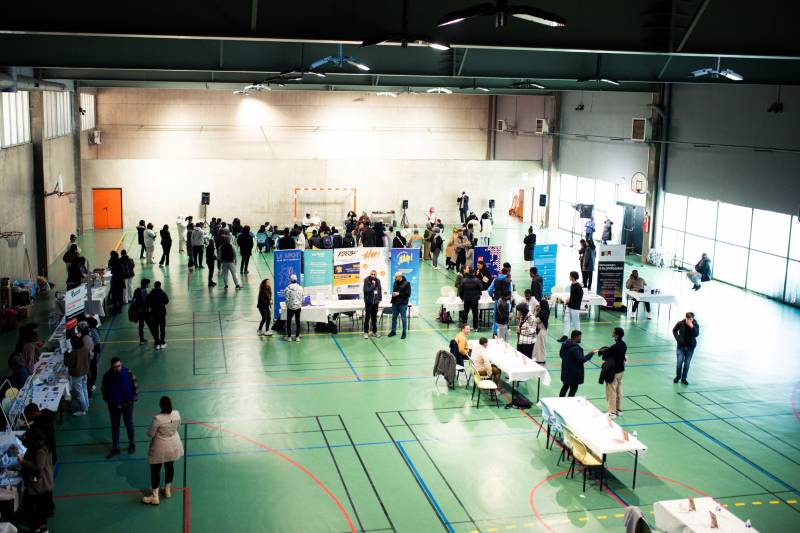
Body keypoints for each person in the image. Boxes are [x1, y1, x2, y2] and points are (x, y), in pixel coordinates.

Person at [142, 396, 184, 506]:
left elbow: (150, 434)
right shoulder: (177, 414)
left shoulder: (158, 419)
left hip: (160, 448)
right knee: (169, 467)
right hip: (173, 446)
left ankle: (155, 497)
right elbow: (178, 426)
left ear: (161, 405)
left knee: (155, 471)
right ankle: (167, 490)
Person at [18, 428, 54, 533]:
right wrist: (21, 439)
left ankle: (41, 529)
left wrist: (22, 462)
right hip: (40, 484)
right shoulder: (38, 446)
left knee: (35, 508)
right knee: (36, 508)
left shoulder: (41, 451)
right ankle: (38, 527)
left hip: (40, 485)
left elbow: (38, 468)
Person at [101, 357, 139, 458]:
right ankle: (115, 447)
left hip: (127, 404)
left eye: (119, 366)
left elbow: (135, 385)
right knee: (115, 426)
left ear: (121, 364)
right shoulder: (107, 377)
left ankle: (132, 444)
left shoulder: (128, 373)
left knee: (129, 425)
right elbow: (104, 390)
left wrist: (132, 399)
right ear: (112, 367)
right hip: (114, 405)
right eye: (115, 367)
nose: (118, 368)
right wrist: (110, 401)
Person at [590, 327, 627, 417]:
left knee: (611, 391)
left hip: (613, 372)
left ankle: (612, 412)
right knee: (618, 390)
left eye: (613, 332)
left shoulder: (615, 346)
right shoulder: (623, 344)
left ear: (616, 335)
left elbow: (605, 356)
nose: (612, 333)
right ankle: (618, 410)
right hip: (621, 371)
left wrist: (603, 351)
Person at [559, 330, 593, 397]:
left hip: (566, 371)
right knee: (573, 389)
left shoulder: (565, 344)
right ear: (576, 337)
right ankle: (570, 402)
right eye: (580, 336)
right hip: (574, 373)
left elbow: (561, 355)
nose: (580, 338)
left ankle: (560, 400)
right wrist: (590, 354)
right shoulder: (575, 348)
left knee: (565, 386)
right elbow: (581, 360)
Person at [64, 335, 90, 416]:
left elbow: (68, 363)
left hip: (77, 375)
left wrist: (66, 353)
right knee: (84, 389)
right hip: (85, 372)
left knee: (79, 393)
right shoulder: (85, 348)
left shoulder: (74, 353)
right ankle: (87, 405)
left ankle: (83, 410)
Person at [673, 312, 699, 385]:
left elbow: (696, 334)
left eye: (691, 319)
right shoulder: (680, 323)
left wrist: (692, 327)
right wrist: (678, 339)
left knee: (687, 364)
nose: (690, 320)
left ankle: (684, 378)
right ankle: (678, 377)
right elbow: (674, 330)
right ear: (686, 318)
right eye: (689, 319)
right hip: (681, 347)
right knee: (679, 363)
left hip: (690, 348)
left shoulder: (695, 324)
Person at [559, 271, 583, 342]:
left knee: (576, 322)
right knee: (566, 320)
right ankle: (565, 336)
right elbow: (572, 295)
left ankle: (578, 338)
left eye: (570, 276)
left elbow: (579, 298)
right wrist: (568, 300)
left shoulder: (578, 287)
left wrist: (570, 300)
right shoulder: (572, 284)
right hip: (569, 306)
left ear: (573, 277)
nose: (569, 277)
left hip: (575, 307)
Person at [146, 281, 170, 350]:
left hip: (153, 313)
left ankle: (157, 343)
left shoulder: (151, 293)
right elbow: (166, 301)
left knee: (155, 328)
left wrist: (152, 306)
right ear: (160, 286)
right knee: (162, 328)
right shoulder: (162, 293)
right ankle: (162, 342)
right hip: (162, 313)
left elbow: (147, 303)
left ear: (154, 285)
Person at [132, 278, 156, 345]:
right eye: (148, 284)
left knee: (141, 326)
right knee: (151, 326)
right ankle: (156, 339)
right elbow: (146, 302)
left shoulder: (137, 290)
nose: (149, 285)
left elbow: (134, 300)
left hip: (139, 311)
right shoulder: (144, 291)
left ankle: (142, 340)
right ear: (146, 284)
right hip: (145, 312)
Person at [388, 273, 411, 339]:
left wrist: (399, 294)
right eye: (395, 277)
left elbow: (408, 294)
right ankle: (393, 331)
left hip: (402, 304)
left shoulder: (407, 283)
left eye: (396, 277)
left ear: (400, 277)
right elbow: (394, 291)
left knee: (403, 318)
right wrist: (393, 295)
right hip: (395, 303)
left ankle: (404, 333)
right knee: (394, 318)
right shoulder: (395, 282)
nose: (395, 278)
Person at [362, 270, 382, 339]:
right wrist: (373, 285)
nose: (373, 275)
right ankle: (366, 332)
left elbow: (379, 290)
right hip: (369, 302)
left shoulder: (378, 280)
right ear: (370, 274)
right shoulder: (367, 280)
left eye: (374, 274)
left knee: (374, 318)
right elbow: (367, 291)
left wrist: (379, 299)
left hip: (375, 303)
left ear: (376, 275)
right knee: (367, 318)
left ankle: (374, 332)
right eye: (372, 274)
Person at [284, 274, 303, 341]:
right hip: (298, 307)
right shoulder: (300, 288)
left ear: (290, 280)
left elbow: (287, 299)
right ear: (296, 280)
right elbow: (302, 297)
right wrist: (299, 304)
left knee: (289, 322)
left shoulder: (287, 288)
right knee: (298, 322)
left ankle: (289, 337)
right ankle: (297, 337)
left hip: (290, 308)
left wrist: (288, 306)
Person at [532, 299, 550, 365]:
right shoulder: (544, 311)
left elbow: (536, 320)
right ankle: (538, 358)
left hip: (542, 331)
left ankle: (541, 359)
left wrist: (536, 312)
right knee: (538, 345)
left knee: (541, 346)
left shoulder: (543, 312)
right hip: (540, 331)